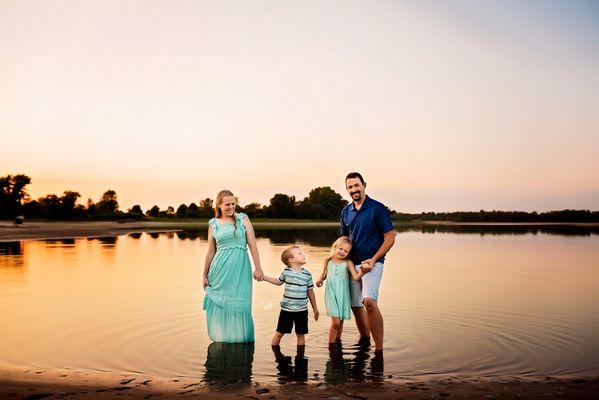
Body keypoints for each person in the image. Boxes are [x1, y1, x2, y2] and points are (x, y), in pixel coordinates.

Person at [341, 172, 396, 351]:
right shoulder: (345, 211)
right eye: (350, 187)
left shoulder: (377, 208)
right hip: (351, 264)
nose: (354, 190)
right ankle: (364, 343)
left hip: (372, 263)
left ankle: (379, 351)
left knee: (369, 303)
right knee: (356, 306)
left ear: (364, 185)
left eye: (356, 185)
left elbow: (390, 237)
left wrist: (373, 260)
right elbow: (343, 239)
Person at [202, 189, 264, 343]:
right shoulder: (213, 223)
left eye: (233, 203)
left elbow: (253, 245)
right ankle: (224, 340)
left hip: (240, 269)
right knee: (222, 305)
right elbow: (210, 252)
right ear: (219, 205)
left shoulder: (243, 219)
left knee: (241, 306)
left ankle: (240, 340)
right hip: (219, 270)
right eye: (227, 204)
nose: (230, 207)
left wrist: (258, 267)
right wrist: (204, 274)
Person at [315, 236, 372, 347]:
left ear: (348, 253)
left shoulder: (348, 263)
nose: (342, 252)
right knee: (336, 322)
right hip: (331, 293)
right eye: (340, 249)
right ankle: (331, 346)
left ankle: (337, 343)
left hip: (343, 294)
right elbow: (324, 275)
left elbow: (356, 278)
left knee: (340, 321)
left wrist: (363, 272)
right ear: (335, 247)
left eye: (346, 251)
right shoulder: (327, 260)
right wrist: (320, 280)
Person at [263, 245, 319, 347]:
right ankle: (275, 351)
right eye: (300, 253)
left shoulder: (307, 274)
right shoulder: (286, 272)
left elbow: (310, 292)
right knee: (280, 333)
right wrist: (264, 277)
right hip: (286, 310)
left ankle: (301, 358)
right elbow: (278, 282)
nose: (303, 254)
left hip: (302, 311)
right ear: (292, 259)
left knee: (301, 335)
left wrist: (315, 309)